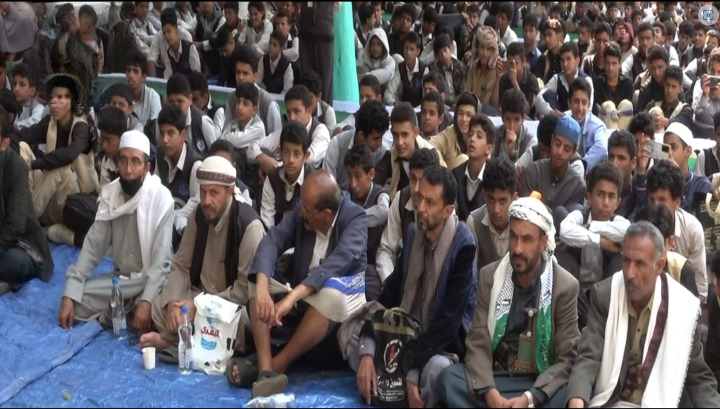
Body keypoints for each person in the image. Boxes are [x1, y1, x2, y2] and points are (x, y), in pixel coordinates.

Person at [343, 165, 477, 408]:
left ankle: (392, 385)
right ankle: (393, 386)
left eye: (430, 202)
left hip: (438, 346)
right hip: (403, 333)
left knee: (436, 373)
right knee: (352, 334)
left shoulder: (463, 246)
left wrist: (412, 368)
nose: (420, 208)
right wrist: (367, 350)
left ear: (447, 210)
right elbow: (390, 296)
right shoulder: (414, 233)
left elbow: (447, 324)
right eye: (419, 198)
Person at [226, 170, 367, 397]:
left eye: (308, 213)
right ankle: (266, 372)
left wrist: (293, 297)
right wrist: (262, 289)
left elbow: (338, 263)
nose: (302, 214)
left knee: (331, 295)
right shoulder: (305, 210)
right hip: (300, 306)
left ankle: (277, 365)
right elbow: (272, 241)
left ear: (327, 214)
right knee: (257, 278)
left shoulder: (355, 218)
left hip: (335, 321)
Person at [437, 196, 580, 408]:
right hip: (498, 379)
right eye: (513, 237)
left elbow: (567, 358)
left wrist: (530, 398)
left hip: (539, 383)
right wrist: (490, 393)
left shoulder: (564, 286)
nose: (518, 248)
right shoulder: (490, 277)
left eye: (527, 239)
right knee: (448, 379)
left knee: (567, 393)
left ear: (543, 242)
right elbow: (477, 342)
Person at [566, 222, 720, 408]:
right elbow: (588, 356)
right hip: (613, 402)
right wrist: (577, 399)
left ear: (659, 266)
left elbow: (698, 378)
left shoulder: (683, 308)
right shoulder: (605, 295)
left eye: (639, 263)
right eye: (626, 260)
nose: (630, 273)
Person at [139, 155, 265, 356]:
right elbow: (181, 265)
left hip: (229, 306)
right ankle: (187, 344)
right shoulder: (199, 215)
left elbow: (243, 290)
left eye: (214, 193)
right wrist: (173, 301)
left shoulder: (249, 227)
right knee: (159, 305)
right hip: (197, 296)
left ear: (229, 192)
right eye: (203, 192)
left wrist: (200, 306)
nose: (206, 201)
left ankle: (171, 343)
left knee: (241, 325)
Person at [57, 131, 174, 332]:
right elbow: (93, 247)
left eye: (135, 162)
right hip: (123, 282)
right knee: (76, 303)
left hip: (153, 280)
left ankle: (122, 311)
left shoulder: (161, 199)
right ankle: (123, 310)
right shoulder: (110, 195)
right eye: (123, 161)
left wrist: (146, 300)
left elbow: (161, 262)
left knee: (159, 312)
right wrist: (70, 292)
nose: (128, 169)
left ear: (147, 168)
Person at [17, 74, 97, 227]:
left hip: (76, 201)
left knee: (59, 167)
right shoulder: (50, 122)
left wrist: (33, 164)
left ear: (72, 101)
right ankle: (25, 206)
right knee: (21, 146)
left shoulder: (81, 126)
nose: (54, 103)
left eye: (60, 98)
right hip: (48, 196)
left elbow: (69, 155)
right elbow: (24, 135)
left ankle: (26, 219)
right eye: (52, 98)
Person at [558, 162, 630, 326]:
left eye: (611, 196)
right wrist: (599, 241)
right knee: (561, 259)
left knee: (620, 263)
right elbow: (564, 230)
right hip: (577, 293)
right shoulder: (580, 215)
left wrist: (592, 227)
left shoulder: (618, 222)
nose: (606, 203)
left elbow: (627, 231)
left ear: (618, 202)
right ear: (589, 196)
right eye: (600, 195)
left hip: (604, 293)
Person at [0, 106, 53, 293]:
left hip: (18, 243)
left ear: (4, 143)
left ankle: (9, 281)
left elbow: (16, 225)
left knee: (15, 262)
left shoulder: (15, 167)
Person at [375, 148, 441, 287]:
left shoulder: (442, 205)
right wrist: (389, 284)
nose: (416, 188)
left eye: (422, 181)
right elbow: (386, 250)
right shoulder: (401, 199)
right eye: (412, 179)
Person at [647, 160, 708, 303]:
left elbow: (700, 290)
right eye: (652, 199)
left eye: (662, 200)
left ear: (677, 202)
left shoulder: (692, 230)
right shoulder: (641, 228)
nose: (655, 206)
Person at [521, 115, 587, 232]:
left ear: (574, 152)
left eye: (566, 149)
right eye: (557, 144)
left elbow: (568, 226)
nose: (560, 152)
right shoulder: (534, 171)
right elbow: (524, 212)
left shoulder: (577, 186)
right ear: (552, 140)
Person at [343, 143, 389, 301]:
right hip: (347, 262)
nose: (353, 183)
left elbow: (383, 212)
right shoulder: (345, 193)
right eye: (349, 176)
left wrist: (353, 218)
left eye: (358, 176)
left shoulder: (380, 196)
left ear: (371, 174)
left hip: (371, 267)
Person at [249, 84, 330, 173]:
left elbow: (310, 159)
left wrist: (276, 166)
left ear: (309, 111)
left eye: (296, 111)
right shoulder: (287, 131)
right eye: (289, 112)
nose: (292, 117)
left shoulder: (321, 131)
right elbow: (253, 146)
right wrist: (261, 158)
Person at [374, 102, 445, 201]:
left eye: (404, 135)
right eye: (395, 135)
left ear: (416, 132)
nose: (399, 142)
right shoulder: (392, 155)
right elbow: (373, 182)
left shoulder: (432, 155)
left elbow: (446, 192)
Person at [154, 104, 202, 249]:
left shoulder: (195, 165)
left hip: (185, 224)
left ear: (183, 135)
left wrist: (173, 216)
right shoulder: (160, 156)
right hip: (163, 219)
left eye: (170, 133)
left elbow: (196, 202)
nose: (165, 139)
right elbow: (155, 190)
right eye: (162, 133)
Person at [323, 99, 389, 191]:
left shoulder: (383, 153)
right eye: (375, 139)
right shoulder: (337, 145)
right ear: (361, 135)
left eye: (381, 137)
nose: (380, 143)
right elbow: (326, 187)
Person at [635, 203, 699, 296]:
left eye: (658, 246)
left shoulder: (682, 270)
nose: (652, 255)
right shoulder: (627, 270)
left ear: (670, 242)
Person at [466, 157, 517, 272]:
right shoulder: (474, 222)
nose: (496, 209)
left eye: (502, 201)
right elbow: (469, 273)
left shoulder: (522, 223)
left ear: (513, 198)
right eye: (491, 199)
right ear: (484, 195)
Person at [260, 120, 313, 229]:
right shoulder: (272, 178)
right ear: (280, 152)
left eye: (296, 154)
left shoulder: (313, 181)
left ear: (305, 156)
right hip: (276, 235)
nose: (291, 160)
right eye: (286, 152)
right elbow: (266, 221)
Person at [452, 113, 494, 221]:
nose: (472, 139)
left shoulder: (494, 178)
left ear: (488, 149)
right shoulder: (455, 174)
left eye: (479, 136)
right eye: (470, 134)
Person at [162, 73, 217, 156]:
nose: (176, 106)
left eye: (180, 101)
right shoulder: (162, 123)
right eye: (171, 102)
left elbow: (216, 154)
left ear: (190, 99)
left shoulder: (203, 122)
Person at [566, 78, 609, 173]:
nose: (580, 108)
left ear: (589, 105)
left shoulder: (597, 125)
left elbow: (602, 147)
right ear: (569, 103)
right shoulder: (563, 121)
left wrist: (582, 165)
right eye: (576, 101)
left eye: (584, 103)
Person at [429, 92, 479, 170]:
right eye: (461, 113)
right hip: (450, 176)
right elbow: (429, 145)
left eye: (469, 115)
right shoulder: (450, 132)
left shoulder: (482, 137)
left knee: (464, 159)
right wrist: (444, 169)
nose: (464, 119)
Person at [607, 129, 649, 221]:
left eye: (621, 158)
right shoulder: (598, 182)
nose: (614, 163)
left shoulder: (637, 188)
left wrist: (641, 170)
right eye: (611, 157)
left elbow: (642, 213)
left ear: (633, 163)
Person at [384, 30, 429, 107]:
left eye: (412, 49)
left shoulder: (424, 69)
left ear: (418, 52)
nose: (408, 53)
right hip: (403, 108)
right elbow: (388, 93)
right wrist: (395, 103)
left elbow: (426, 98)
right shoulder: (401, 67)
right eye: (406, 48)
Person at [494, 89, 537, 163]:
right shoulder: (494, 134)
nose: (511, 126)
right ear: (502, 117)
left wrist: (512, 153)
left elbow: (525, 168)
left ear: (523, 118)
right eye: (508, 119)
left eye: (516, 120)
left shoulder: (531, 140)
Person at [156, 8, 201, 79]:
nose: (166, 36)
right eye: (164, 33)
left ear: (177, 31)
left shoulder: (190, 48)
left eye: (169, 31)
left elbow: (197, 76)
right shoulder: (169, 53)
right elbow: (167, 77)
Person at [498, 42, 540, 117]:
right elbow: (497, 104)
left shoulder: (531, 80)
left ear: (523, 62)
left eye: (516, 63)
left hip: (526, 118)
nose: (513, 67)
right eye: (511, 63)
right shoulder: (504, 78)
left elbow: (527, 109)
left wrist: (514, 82)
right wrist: (497, 78)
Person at [125, 50, 162, 129]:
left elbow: (155, 128)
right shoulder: (120, 96)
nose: (131, 75)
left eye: (135, 71)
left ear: (144, 77)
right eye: (128, 70)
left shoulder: (153, 97)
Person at [257, 30, 294, 95]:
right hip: (264, 95)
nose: (271, 47)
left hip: (280, 97)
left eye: (275, 45)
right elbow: (258, 81)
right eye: (270, 43)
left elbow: (287, 90)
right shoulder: (263, 59)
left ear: (281, 48)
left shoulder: (286, 65)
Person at [12, 63, 45, 130]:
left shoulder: (39, 108)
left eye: (22, 85)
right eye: (15, 84)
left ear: (32, 91)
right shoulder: (13, 106)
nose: (16, 89)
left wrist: (14, 127)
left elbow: (36, 121)